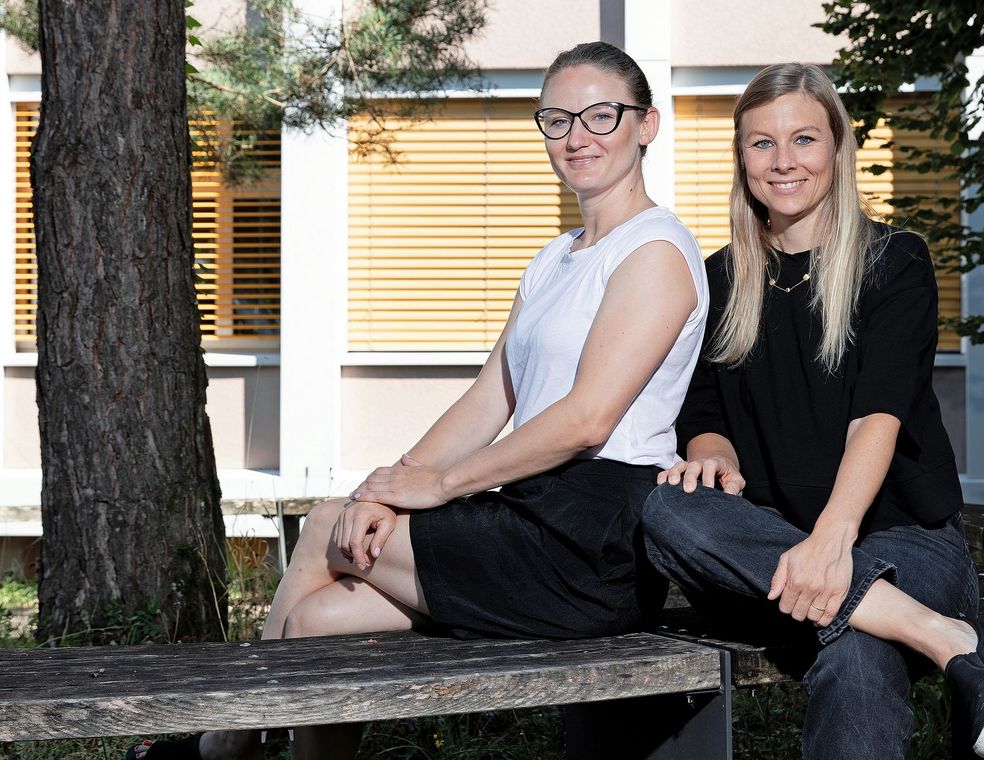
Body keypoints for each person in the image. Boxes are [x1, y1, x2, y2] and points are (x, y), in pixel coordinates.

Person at [127, 41, 708, 760]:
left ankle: (222, 747)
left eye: (600, 115)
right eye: (556, 119)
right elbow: (487, 399)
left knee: (324, 528)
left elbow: (586, 420)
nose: (577, 136)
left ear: (646, 124)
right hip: (525, 516)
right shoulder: (555, 259)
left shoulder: (655, 251)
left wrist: (433, 487)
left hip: (592, 541)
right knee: (316, 621)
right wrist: (388, 487)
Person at [641, 63, 984, 760]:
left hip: (903, 539)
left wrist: (832, 541)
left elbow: (876, 416)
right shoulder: (719, 279)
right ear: (741, 158)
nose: (783, 162)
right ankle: (950, 640)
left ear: (838, 150)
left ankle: (882, 609)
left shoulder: (894, 262)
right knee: (665, 510)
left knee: (856, 655)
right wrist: (713, 450)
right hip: (774, 556)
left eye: (804, 139)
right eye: (762, 144)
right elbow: (700, 406)